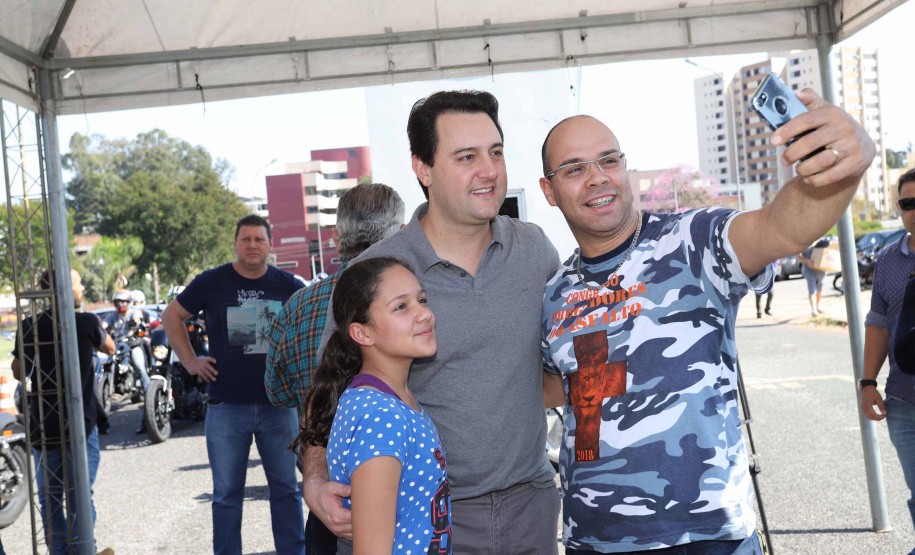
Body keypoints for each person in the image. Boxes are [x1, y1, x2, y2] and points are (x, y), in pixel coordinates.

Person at [538, 86, 875, 554]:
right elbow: (559, 389)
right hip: (594, 541)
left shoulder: (693, 240)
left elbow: (780, 228)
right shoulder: (555, 293)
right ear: (548, 191)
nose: (597, 178)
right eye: (574, 169)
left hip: (709, 536)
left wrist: (840, 169)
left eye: (609, 160)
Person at [306, 90, 562, 554]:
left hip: (531, 505)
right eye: (467, 156)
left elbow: (556, 369)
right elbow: (328, 394)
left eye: (496, 152)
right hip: (421, 518)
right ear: (422, 169)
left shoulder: (535, 250)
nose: (488, 170)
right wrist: (315, 479)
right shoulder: (377, 273)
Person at [265, 182, 404, 553]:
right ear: (401, 232)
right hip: (404, 497)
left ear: (337, 237)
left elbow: (275, 391)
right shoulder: (411, 305)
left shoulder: (296, 307)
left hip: (323, 496)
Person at [161, 214, 306, 555]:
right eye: (246, 239)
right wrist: (190, 361)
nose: (252, 245)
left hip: (279, 407)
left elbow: (313, 326)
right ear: (235, 244)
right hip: (227, 407)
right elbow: (172, 316)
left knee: (286, 490)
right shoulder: (212, 282)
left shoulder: (289, 285)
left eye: (259, 239)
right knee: (226, 495)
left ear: (270, 245)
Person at [293, 257, 450, 554]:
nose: (425, 314)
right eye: (401, 307)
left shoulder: (392, 400)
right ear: (362, 333)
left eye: (422, 300)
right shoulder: (380, 417)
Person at [11, 269, 116, 555]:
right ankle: (83, 550)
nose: (82, 289)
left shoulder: (30, 325)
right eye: (79, 284)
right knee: (80, 495)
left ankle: (61, 552)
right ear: (65, 292)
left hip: (43, 428)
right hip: (80, 426)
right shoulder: (85, 322)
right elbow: (111, 348)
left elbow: (19, 372)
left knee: (50, 499)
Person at [862, 168, 915, 554]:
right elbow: (878, 325)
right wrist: (867, 383)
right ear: (899, 208)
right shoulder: (888, 260)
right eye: (908, 203)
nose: (914, 210)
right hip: (903, 399)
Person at [797, 242, 827, 317]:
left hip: (821, 270)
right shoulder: (804, 244)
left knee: (819, 291)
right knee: (812, 290)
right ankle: (813, 309)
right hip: (809, 271)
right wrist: (808, 261)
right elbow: (799, 257)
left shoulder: (820, 242)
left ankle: (818, 305)